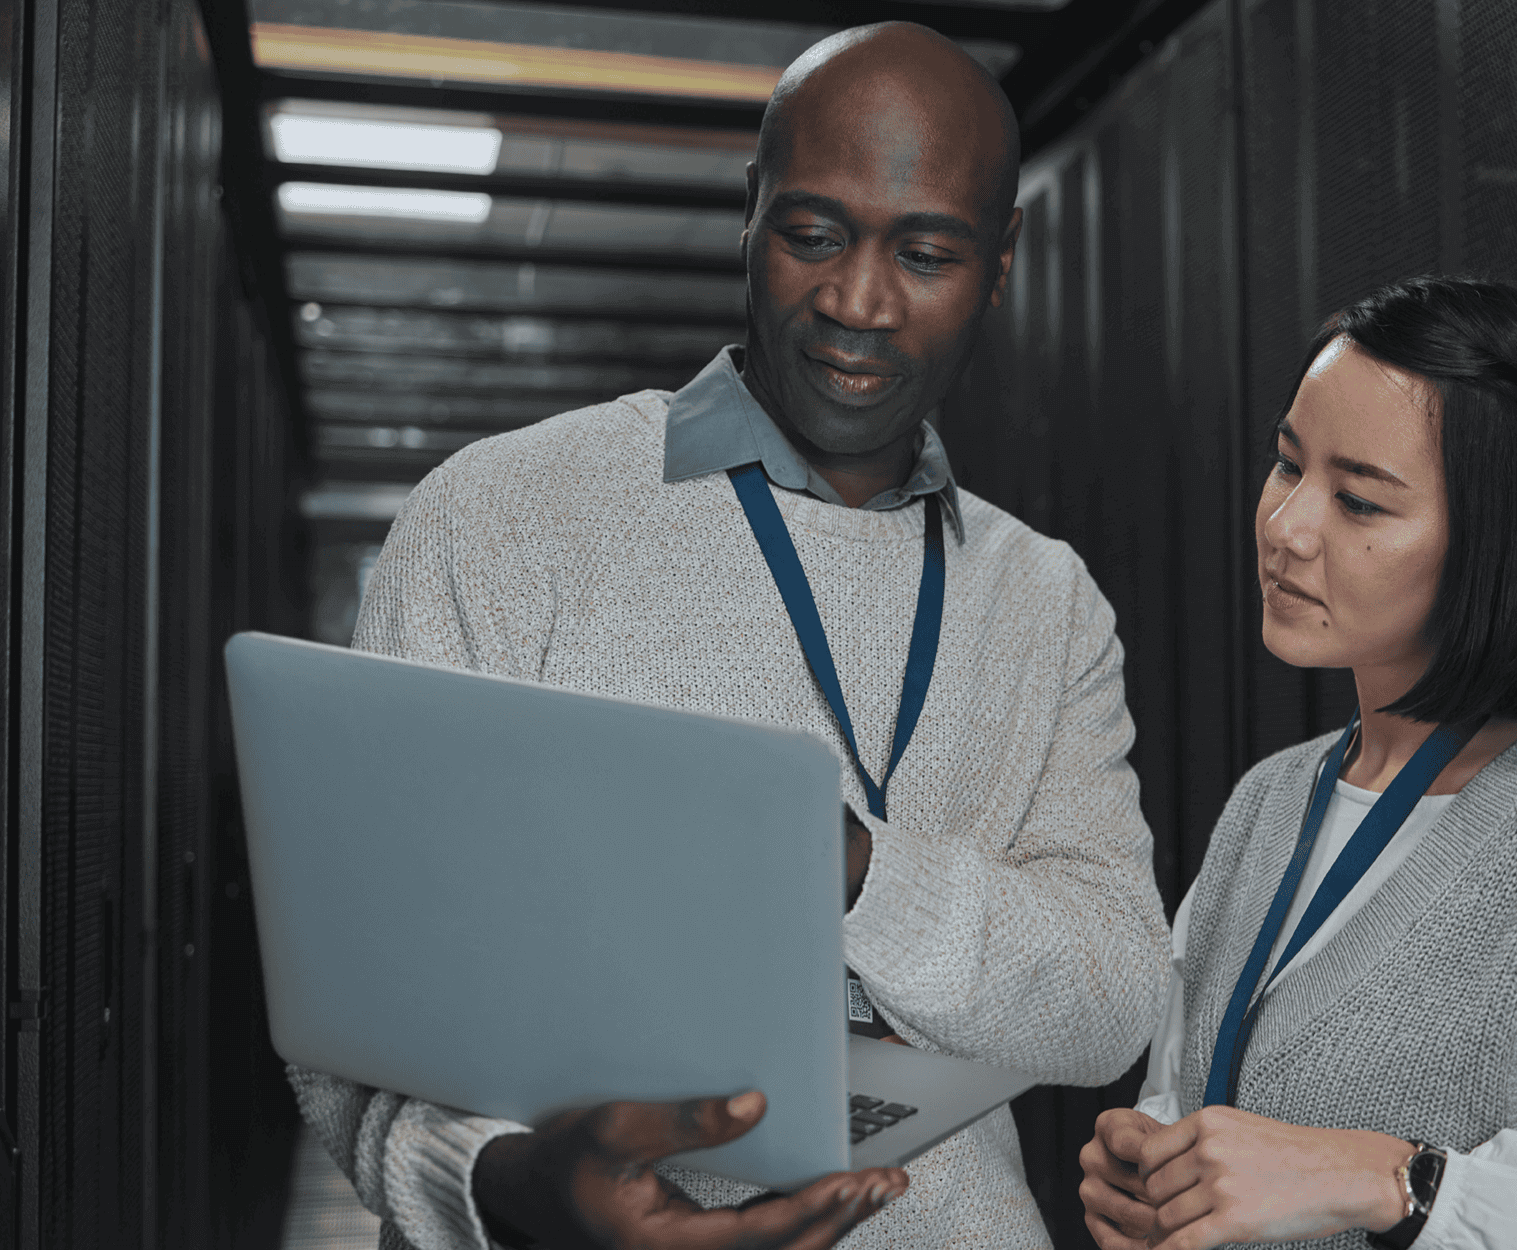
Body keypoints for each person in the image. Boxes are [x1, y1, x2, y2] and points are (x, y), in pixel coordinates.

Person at [289, 22, 1170, 1250]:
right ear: (748, 214)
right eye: (813, 233)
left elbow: (1112, 1000)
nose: (857, 301)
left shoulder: (1048, 600)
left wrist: (856, 872)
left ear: (1002, 260)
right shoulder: (497, 513)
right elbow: (357, 1008)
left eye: (925, 252)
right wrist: (504, 1183)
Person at [1078, 277, 1517, 1250]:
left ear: (1500, 545)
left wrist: (1405, 1184)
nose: (1285, 527)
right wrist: (1156, 1160)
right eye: (1287, 467)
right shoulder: (1267, 803)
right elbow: (1206, 1091)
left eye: (1359, 499)